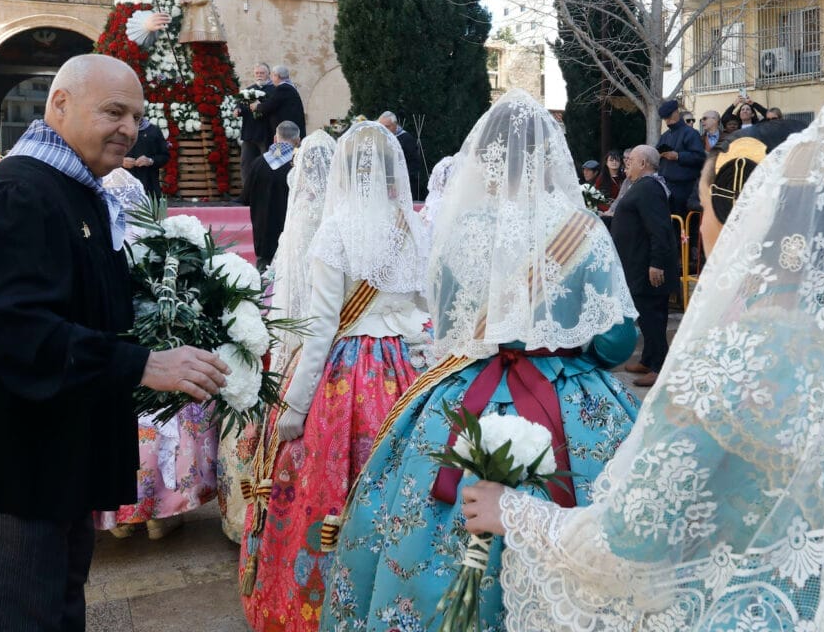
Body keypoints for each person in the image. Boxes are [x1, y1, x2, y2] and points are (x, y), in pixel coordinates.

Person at [457, 100, 824, 632]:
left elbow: (628, 544)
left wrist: (516, 514)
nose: (700, 222)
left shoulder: (736, 355)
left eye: (704, 205)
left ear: (743, 216)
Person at [0, 54, 228, 632]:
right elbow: (18, 332)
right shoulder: (21, 193)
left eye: (136, 115)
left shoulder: (71, 188)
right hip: (10, 465)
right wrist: (144, 363)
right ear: (59, 104)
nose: (129, 128)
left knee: (58, 610)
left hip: (51, 455)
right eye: (113, 111)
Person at [320, 89, 641, 632]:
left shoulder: (460, 230)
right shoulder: (582, 229)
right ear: (549, 157)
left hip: (465, 392)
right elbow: (615, 341)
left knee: (419, 523)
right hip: (569, 397)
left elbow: (445, 321)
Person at [240, 121, 429, 632]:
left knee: (325, 487)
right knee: (395, 489)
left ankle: (318, 601)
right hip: (402, 369)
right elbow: (424, 307)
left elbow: (321, 328)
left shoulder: (337, 227)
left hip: (344, 376)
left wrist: (295, 407)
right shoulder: (411, 225)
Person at [216, 129, 337, 543]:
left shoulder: (305, 221)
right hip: (340, 348)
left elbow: (296, 296)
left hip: (302, 343)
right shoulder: (339, 218)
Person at [95, 171, 218, 541]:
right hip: (160, 352)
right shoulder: (160, 246)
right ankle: (161, 512)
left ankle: (119, 515)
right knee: (165, 425)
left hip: (114, 357)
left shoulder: (99, 244)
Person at [613, 145, 678, 388]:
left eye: (631, 160)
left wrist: (657, 264)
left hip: (648, 266)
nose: (626, 163)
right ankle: (649, 359)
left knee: (653, 316)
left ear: (644, 164)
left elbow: (660, 228)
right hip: (637, 263)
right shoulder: (643, 185)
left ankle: (659, 366)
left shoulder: (649, 187)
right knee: (645, 314)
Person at [245, 121, 301, 271]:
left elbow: (246, 195)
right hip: (291, 234)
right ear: (298, 141)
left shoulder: (258, 163)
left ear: (275, 139)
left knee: (264, 278)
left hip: (264, 235)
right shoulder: (300, 164)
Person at [656, 98, 705, 216]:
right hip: (666, 187)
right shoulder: (665, 136)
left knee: (685, 226)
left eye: (669, 117)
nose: (668, 121)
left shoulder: (691, 133)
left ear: (676, 113)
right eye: (665, 118)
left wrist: (678, 156)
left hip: (685, 188)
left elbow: (699, 157)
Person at [238, 63, 276, 184]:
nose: (259, 75)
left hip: (266, 133)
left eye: (262, 73)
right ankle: (247, 192)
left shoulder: (274, 90)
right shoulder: (248, 90)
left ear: (268, 74)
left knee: (266, 163)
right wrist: (238, 109)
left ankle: (266, 191)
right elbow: (241, 105)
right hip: (249, 133)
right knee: (246, 163)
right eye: (257, 73)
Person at [378, 110, 425, 201]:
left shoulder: (406, 139)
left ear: (395, 125)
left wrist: (399, 179)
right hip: (385, 184)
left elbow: (414, 164)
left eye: (387, 126)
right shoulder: (381, 138)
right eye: (382, 127)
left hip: (403, 185)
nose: (384, 130)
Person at [253, 65, 306, 140]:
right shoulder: (288, 87)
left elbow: (270, 105)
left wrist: (257, 106)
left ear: (277, 76)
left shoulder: (283, 88)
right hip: (290, 129)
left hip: (288, 131)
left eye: (272, 76)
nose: (272, 79)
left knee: (285, 150)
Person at [123, 114, 169, 198]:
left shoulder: (154, 131)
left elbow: (165, 156)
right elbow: (106, 155)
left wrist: (150, 161)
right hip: (123, 185)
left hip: (149, 185)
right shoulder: (119, 130)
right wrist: (120, 162)